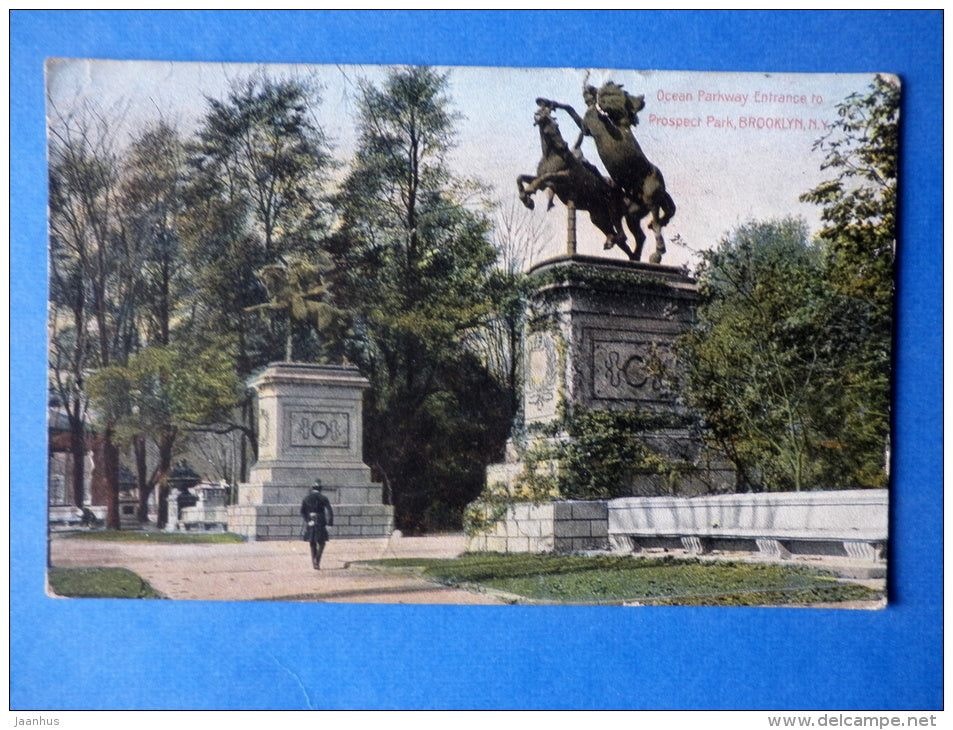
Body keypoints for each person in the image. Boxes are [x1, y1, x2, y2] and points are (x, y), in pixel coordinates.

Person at [300, 480, 334, 569]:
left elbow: (302, 512)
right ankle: (317, 560)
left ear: (312, 489)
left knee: (312, 542)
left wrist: (308, 520)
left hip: (310, 520)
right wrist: (330, 523)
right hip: (320, 521)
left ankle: (314, 562)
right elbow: (330, 511)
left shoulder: (306, 498)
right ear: (320, 489)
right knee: (322, 542)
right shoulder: (323, 498)